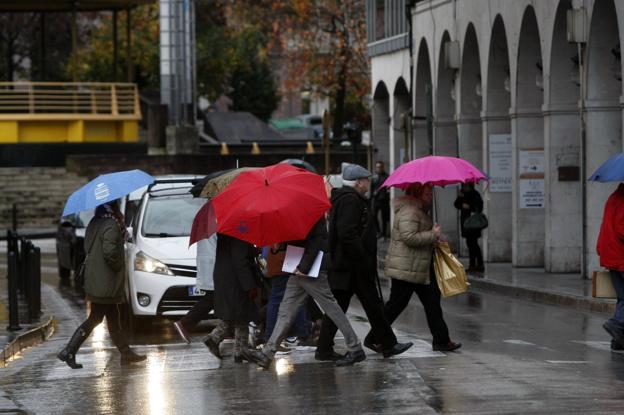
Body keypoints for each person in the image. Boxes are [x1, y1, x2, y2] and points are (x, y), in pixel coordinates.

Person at [316, 164, 413, 360]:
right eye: (366, 179)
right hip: (353, 267)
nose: (369, 183)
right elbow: (347, 233)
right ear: (359, 182)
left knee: (359, 307)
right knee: (369, 306)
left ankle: (325, 348)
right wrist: (362, 255)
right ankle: (387, 344)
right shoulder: (351, 201)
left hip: (349, 266)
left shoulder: (348, 199)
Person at [246, 218, 367, 368]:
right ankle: (267, 353)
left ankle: (355, 348)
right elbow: (299, 238)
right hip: (297, 265)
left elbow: (316, 241)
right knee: (286, 311)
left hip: (309, 269)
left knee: (331, 308)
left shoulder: (312, 213)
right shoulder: (293, 211)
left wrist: (304, 267)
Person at [365, 183, 461, 352]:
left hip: (420, 267)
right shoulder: (410, 210)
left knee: (432, 303)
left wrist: (436, 238)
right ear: (417, 192)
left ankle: (441, 340)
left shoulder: (420, 209)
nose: (431, 194)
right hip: (406, 267)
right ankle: (374, 338)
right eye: (427, 191)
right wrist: (433, 235)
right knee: (396, 304)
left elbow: (419, 235)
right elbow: (409, 237)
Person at [57, 201, 146, 369]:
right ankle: (68, 350)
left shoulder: (94, 222)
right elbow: (110, 253)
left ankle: (126, 353)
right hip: (106, 281)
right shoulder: (111, 225)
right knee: (95, 318)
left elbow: (88, 246)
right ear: (113, 207)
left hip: (98, 278)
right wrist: (120, 265)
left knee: (113, 318)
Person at [202, 233, 259, 363]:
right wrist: (250, 285)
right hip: (235, 281)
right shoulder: (239, 234)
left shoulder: (227, 233)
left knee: (240, 315)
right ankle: (215, 338)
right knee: (239, 314)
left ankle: (240, 350)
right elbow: (240, 260)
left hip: (228, 278)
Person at [263, 244, 313, 347]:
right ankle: (298, 333)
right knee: (289, 299)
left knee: (283, 300)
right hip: (285, 264)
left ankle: (299, 332)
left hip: (280, 264)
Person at [173, 234, 217, 343]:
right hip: (213, 264)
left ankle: (227, 331)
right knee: (213, 298)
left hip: (210, 263)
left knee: (216, 298)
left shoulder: (208, 223)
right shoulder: (214, 222)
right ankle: (185, 323)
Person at [597, 183, 624, 352]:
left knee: (622, 296)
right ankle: (616, 324)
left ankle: (618, 340)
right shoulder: (622, 200)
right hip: (620, 255)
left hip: (611, 254)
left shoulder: (613, 198)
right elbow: (621, 228)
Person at [454, 183, 484, 272]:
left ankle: (475, 264)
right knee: (471, 244)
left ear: (470, 186)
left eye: (465, 186)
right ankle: (477, 264)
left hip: (473, 224)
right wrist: (459, 197)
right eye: (463, 186)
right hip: (466, 224)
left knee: (473, 244)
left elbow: (480, 207)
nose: (464, 187)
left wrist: (470, 207)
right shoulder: (463, 194)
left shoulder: (475, 194)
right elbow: (456, 204)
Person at [371, 161, 390, 239]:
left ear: (383, 167)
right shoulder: (374, 177)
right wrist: (372, 194)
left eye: (380, 167)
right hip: (376, 199)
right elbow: (371, 188)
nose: (379, 168)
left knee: (384, 217)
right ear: (376, 168)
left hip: (384, 199)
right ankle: (378, 232)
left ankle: (384, 234)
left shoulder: (386, 176)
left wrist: (387, 193)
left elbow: (388, 188)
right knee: (374, 216)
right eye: (378, 167)